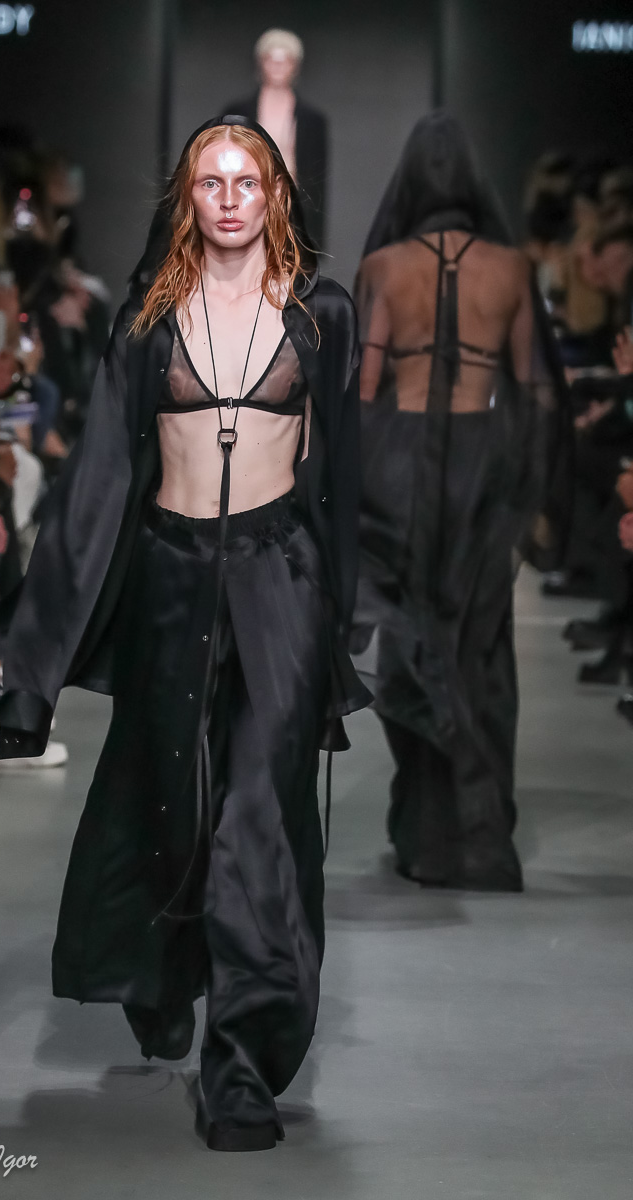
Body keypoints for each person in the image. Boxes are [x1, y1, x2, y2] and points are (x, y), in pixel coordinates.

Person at [0, 115, 369, 1150]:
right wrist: (33, 667)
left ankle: (241, 1064)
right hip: (169, 575)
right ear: (186, 197)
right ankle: (161, 975)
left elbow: (343, 471)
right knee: (168, 801)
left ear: (275, 194)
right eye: (211, 182)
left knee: (261, 815)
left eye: (248, 181)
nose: (230, 199)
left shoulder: (322, 311)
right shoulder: (149, 316)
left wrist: (351, 620)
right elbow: (97, 484)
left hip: (281, 580)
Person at [351, 112, 569, 893]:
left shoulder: (383, 265)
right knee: (477, 646)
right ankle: (480, 836)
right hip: (481, 465)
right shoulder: (511, 268)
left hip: (400, 466)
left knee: (413, 641)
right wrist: (530, 488)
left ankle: (427, 837)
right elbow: (536, 387)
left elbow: (364, 387)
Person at [226, 29, 328, 249]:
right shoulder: (237, 112)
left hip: (292, 207)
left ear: (296, 65)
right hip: (245, 201)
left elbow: (318, 179)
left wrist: (314, 235)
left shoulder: (313, 120)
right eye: (271, 59)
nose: (278, 66)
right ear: (260, 63)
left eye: (285, 60)